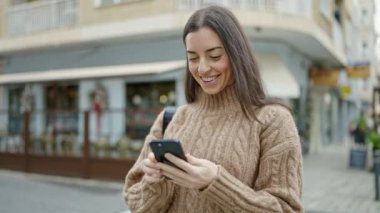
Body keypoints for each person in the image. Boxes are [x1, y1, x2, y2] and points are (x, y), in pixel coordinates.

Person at [123, 5, 303, 212]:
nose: (202, 68)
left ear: (237, 55)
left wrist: (215, 183)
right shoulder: (171, 119)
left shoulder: (273, 121)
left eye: (215, 56)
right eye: (193, 58)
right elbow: (133, 200)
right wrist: (155, 182)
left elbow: (286, 208)